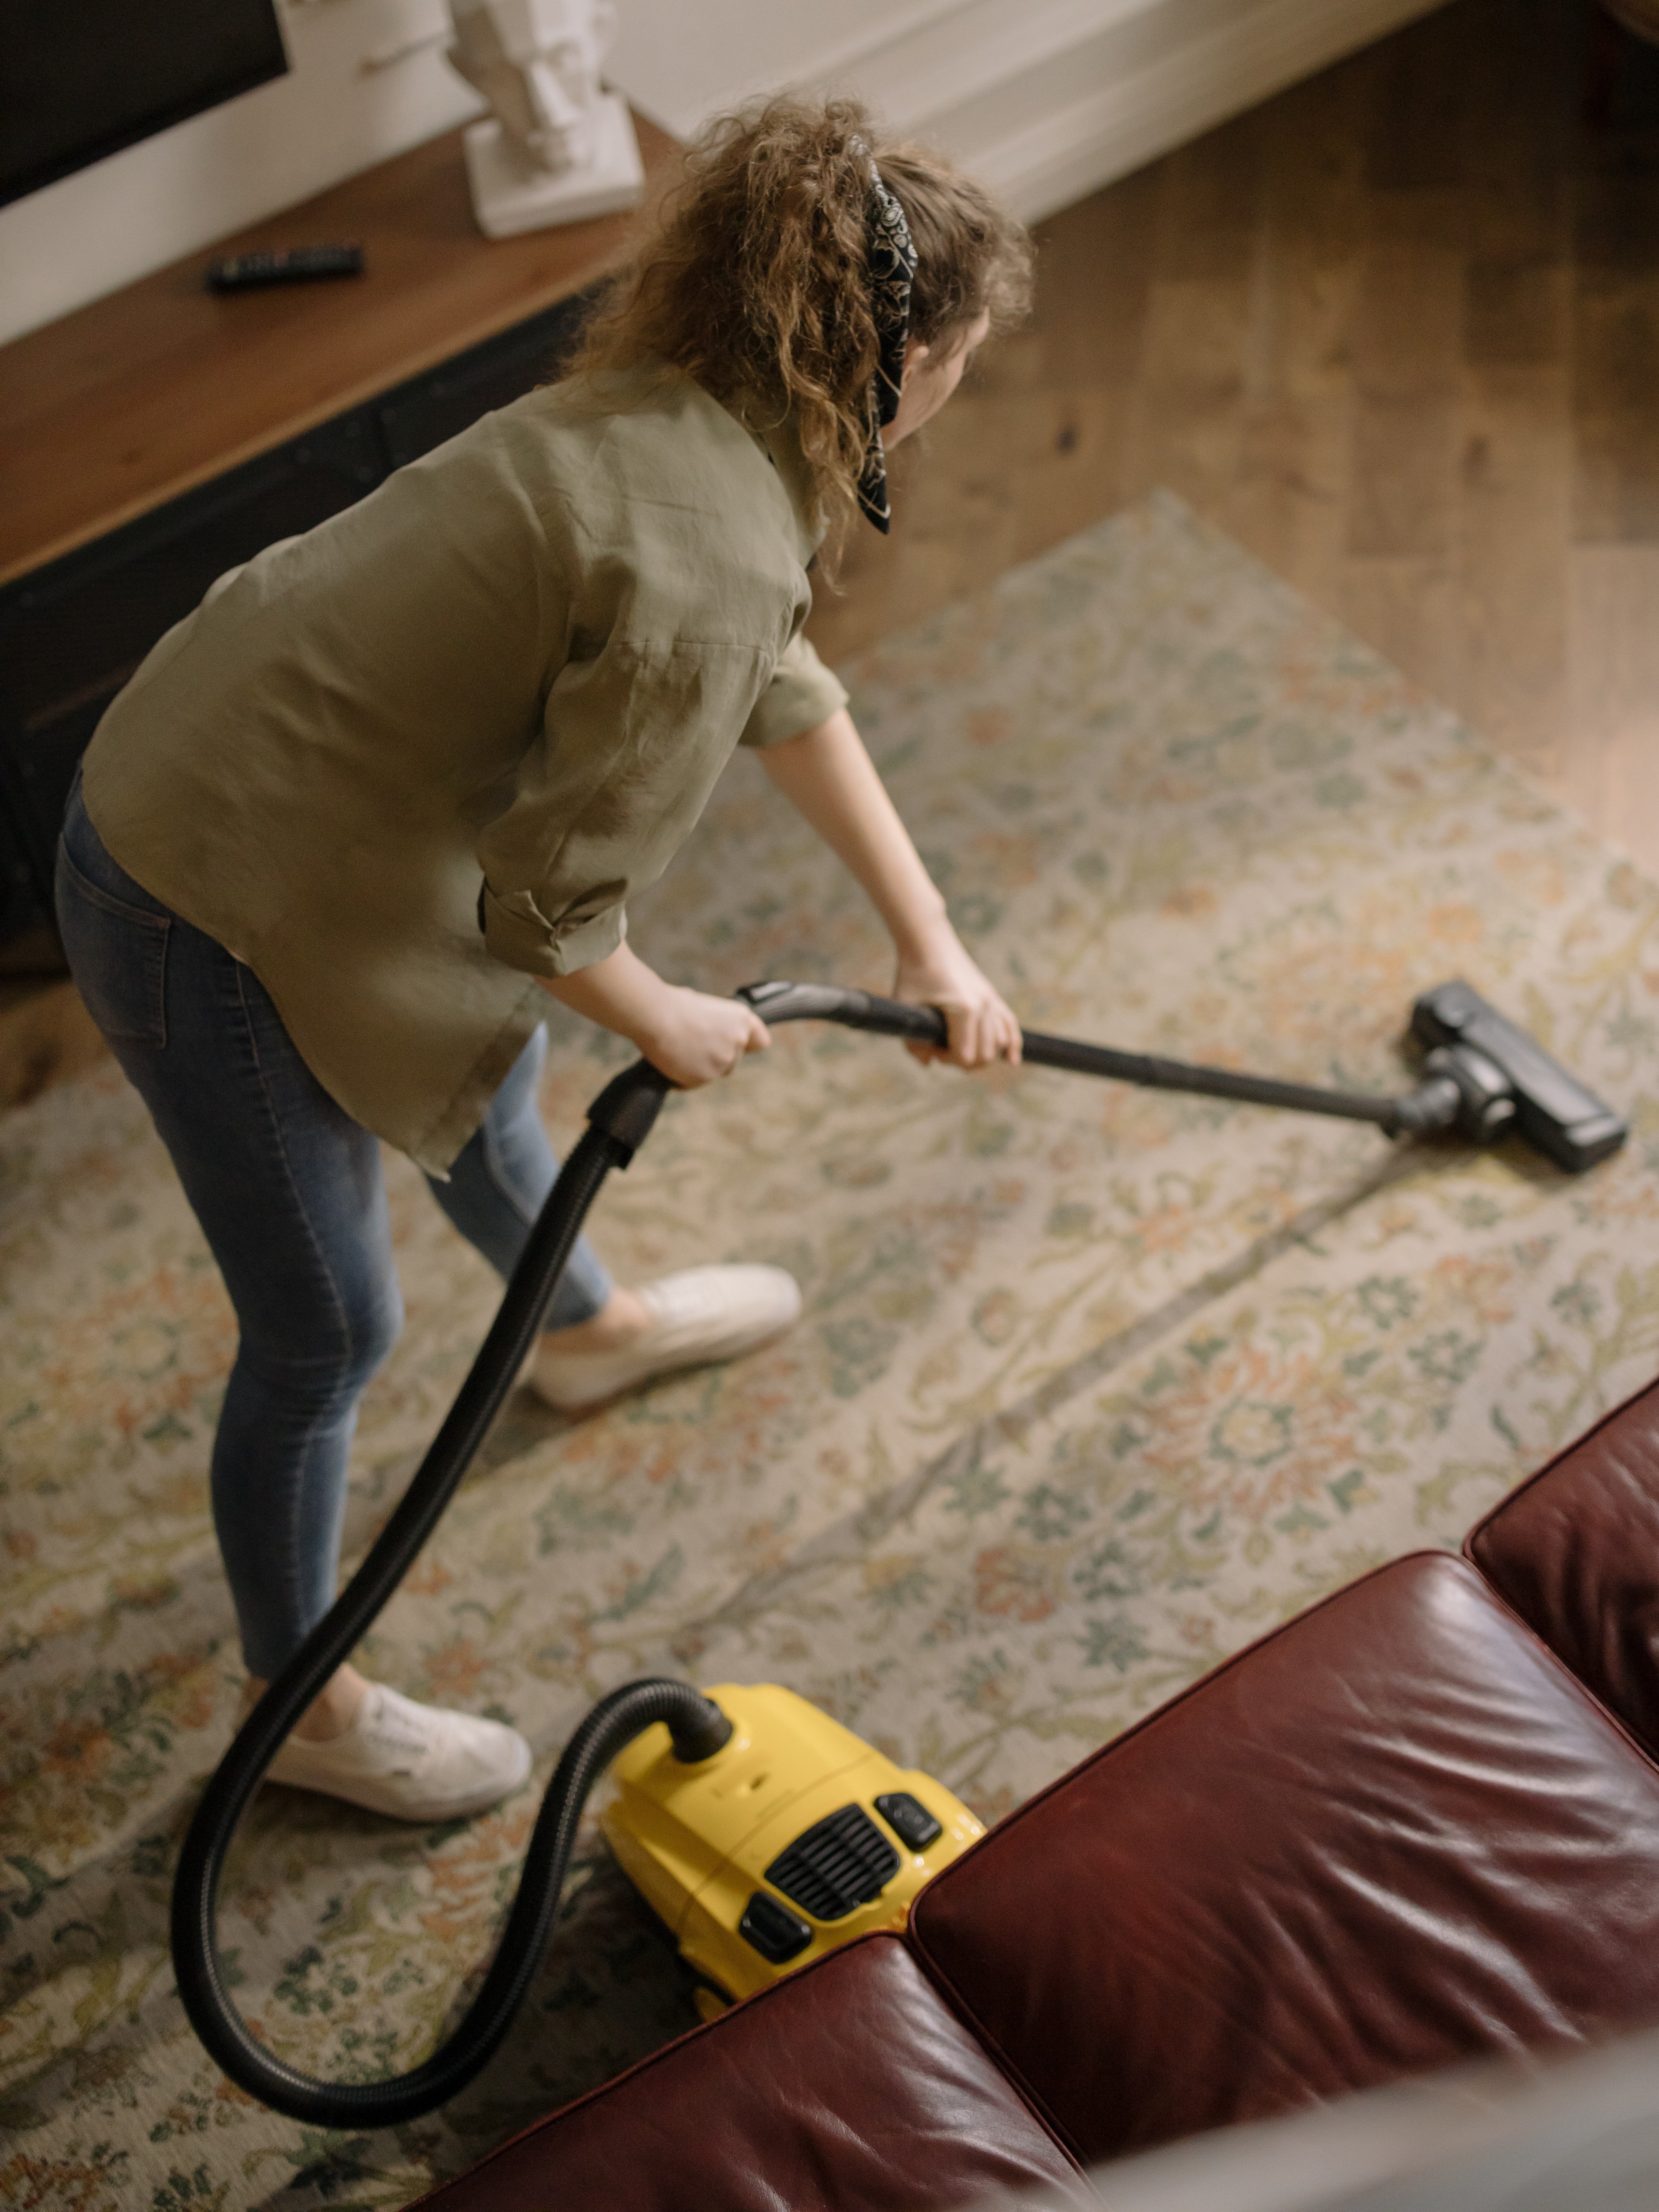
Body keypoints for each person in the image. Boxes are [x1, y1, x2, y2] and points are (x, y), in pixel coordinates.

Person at [54, 97, 1033, 1823]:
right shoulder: (712, 544)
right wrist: (670, 1019)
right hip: (200, 889)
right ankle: (308, 1700)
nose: (957, 382)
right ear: (908, 356)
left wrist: (927, 934)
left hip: (303, 793)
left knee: (497, 1092)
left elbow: (784, 692)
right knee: (323, 1330)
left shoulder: (700, 422)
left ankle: (578, 1333)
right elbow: (546, 914)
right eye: (958, 352)